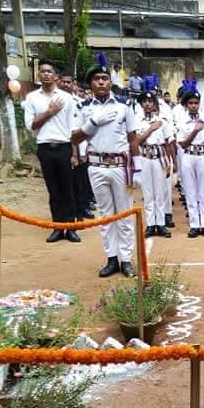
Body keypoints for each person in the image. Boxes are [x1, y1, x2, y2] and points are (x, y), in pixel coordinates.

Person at [71, 63, 139, 278]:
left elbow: (133, 138)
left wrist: (138, 169)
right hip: (97, 166)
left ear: (111, 82)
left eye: (105, 78)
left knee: (125, 214)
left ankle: (126, 259)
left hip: (120, 166)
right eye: (97, 78)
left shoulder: (124, 105)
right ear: (90, 83)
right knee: (105, 215)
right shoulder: (82, 108)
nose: (101, 82)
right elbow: (74, 137)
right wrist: (92, 123)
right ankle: (111, 258)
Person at [23, 60, 80, 244]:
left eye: (49, 71)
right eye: (42, 71)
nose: (46, 74)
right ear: (38, 75)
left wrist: (75, 154)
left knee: (68, 189)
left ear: (56, 76)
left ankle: (70, 227)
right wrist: (49, 112)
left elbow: (73, 127)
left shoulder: (67, 98)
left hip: (64, 147)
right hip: (45, 148)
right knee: (53, 190)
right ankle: (57, 227)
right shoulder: (32, 98)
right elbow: (31, 125)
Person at [175, 83, 204, 238]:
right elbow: (183, 143)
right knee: (190, 192)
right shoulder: (181, 120)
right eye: (190, 103)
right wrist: (195, 130)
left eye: (196, 103)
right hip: (188, 155)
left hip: (202, 156)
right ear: (186, 105)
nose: (193, 106)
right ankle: (194, 224)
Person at [135, 91, 174, 238]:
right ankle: (151, 224)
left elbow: (169, 142)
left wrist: (171, 162)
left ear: (154, 104)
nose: (147, 104)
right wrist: (151, 128)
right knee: (148, 192)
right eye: (144, 101)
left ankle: (161, 223)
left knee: (160, 191)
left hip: (159, 157)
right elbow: (137, 140)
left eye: (150, 102)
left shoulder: (162, 121)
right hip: (145, 156)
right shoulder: (138, 121)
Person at [58, 72, 94, 221]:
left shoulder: (78, 103)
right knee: (66, 182)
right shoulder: (55, 100)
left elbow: (81, 128)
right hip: (61, 144)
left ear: (73, 84)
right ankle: (67, 213)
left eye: (69, 82)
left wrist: (82, 150)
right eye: (63, 82)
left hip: (77, 147)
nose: (66, 85)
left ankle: (81, 209)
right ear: (59, 81)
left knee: (80, 181)